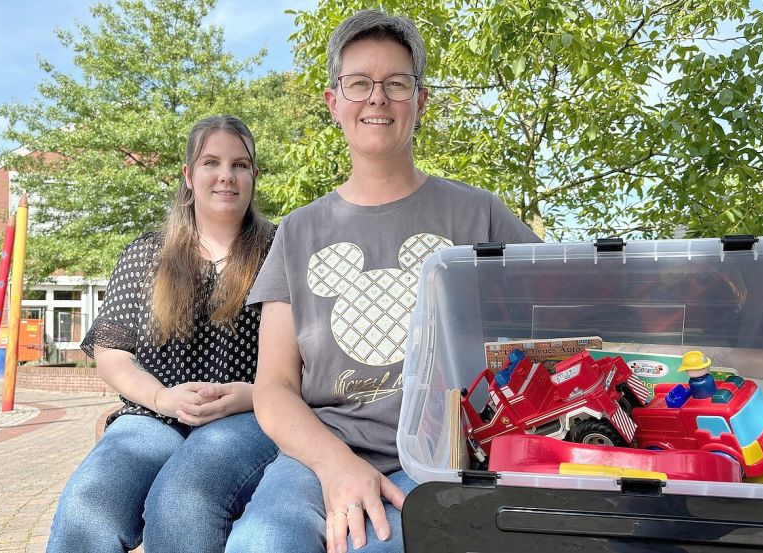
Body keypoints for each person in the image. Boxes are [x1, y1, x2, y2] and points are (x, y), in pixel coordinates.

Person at [225, 10, 541, 553]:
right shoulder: (299, 231)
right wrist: (336, 467)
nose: (377, 98)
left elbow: (560, 304)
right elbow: (274, 389)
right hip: (319, 455)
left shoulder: (478, 216)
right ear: (334, 102)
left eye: (397, 83)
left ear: (420, 100)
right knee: (259, 545)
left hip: (445, 462)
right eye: (358, 84)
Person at [47, 115, 278, 553]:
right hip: (154, 414)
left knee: (183, 504)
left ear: (253, 175)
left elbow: (308, 358)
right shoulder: (146, 254)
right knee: (86, 508)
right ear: (189, 175)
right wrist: (162, 398)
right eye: (211, 162)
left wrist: (251, 395)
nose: (226, 175)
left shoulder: (280, 252)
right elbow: (112, 353)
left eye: (240, 164)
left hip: (248, 417)